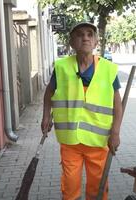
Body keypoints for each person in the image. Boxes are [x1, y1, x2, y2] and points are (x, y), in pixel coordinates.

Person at [41, 21, 122, 200]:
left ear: (96, 42)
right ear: (71, 42)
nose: (85, 37)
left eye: (89, 34)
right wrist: (46, 116)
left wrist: (115, 132)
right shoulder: (62, 67)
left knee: (98, 187)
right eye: (79, 34)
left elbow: (117, 104)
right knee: (70, 187)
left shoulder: (108, 69)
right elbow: (49, 93)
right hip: (70, 141)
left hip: (98, 141)